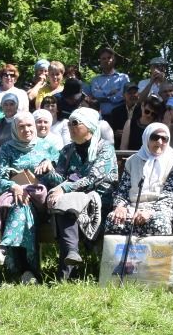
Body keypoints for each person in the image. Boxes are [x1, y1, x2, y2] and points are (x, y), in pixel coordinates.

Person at [41, 108, 118, 281]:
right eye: (69, 123)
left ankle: (66, 271)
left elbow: (94, 178)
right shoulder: (68, 150)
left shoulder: (104, 148)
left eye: (75, 123)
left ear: (89, 126)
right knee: (64, 205)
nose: (70, 126)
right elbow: (60, 177)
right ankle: (71, 256)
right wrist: (47, 171)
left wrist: (64, 189)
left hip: (99, 199)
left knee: (64, 202)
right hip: (72, 201)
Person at [0, 111, 61, 282]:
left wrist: (50, 170)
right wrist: (14, 186)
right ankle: (29, 273)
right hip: (18, 200)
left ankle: (4, 249)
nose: (27, 130)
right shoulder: (7, 148)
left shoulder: (49, 147)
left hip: (42, 201)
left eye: (29, 126)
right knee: (21, 206)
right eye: (21, 126)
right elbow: (0, 181)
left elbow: (59, 181)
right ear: (14, 129)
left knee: (21, 204)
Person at [107, 122, 173, 238]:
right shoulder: (132, 161)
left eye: (164, 138)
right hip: (132, 206)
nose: (159, 142)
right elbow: (123, 190)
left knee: (159, 223)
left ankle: (156, 256)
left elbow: (169, 195)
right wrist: (120, 207)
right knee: (114, 220)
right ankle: (122, 256)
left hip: (160, 209)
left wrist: (149, 212)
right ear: (146, 138)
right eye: (155, 137)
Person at [85, 46, 128, 115]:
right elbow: (96, 94)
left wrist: (103, 95)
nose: (106, 60)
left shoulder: (123, 77)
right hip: (99, 117)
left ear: (114, 60)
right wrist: (112, 93)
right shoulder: (95, 80)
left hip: (119, 116)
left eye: (109, 58)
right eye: (103, 58)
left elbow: (123, 95)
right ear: (100, 61)